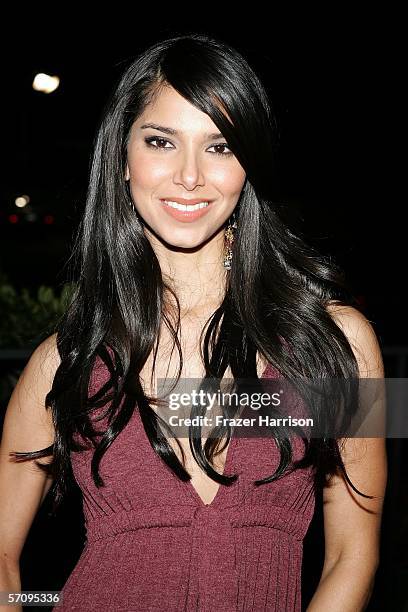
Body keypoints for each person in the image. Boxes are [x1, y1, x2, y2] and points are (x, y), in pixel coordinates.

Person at [0, 32, 387, 611]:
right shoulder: (64, 361)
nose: (189, 175)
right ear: (122, 159)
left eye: (220, 146)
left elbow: (353, 554)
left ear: (247, 166)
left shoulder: (340, 343)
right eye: (161, 141)